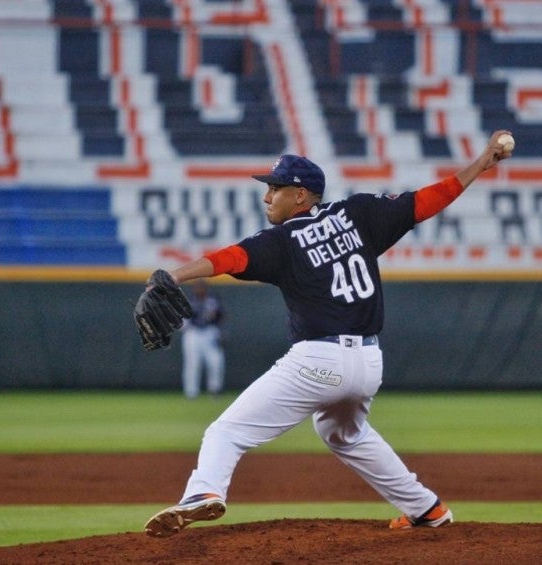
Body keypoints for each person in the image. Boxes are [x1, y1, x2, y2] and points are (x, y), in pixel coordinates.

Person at [143, 130, 514, 538]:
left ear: (301, 196)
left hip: (318, 361)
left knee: (226, 432)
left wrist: (173, 276)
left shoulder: (281, 241)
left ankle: (203, 492)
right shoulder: (359, 213)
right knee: (343, 433)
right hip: (369, 362)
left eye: (275, 188)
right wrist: (482, 161)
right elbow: (428, 200)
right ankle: (426, 508)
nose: (267, 197)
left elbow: (229, 258)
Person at [181, 279, 225, 399]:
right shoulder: (189, 301)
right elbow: (182, 320)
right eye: (197, 287)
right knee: (192, 364)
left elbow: (221, 316)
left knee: (215, 362)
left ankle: (215, 390)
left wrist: (219, 332)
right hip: (193, 333)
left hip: (210, 332)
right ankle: (191, 392)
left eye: (202, 287)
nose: (200, 289)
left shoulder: (213, 300)